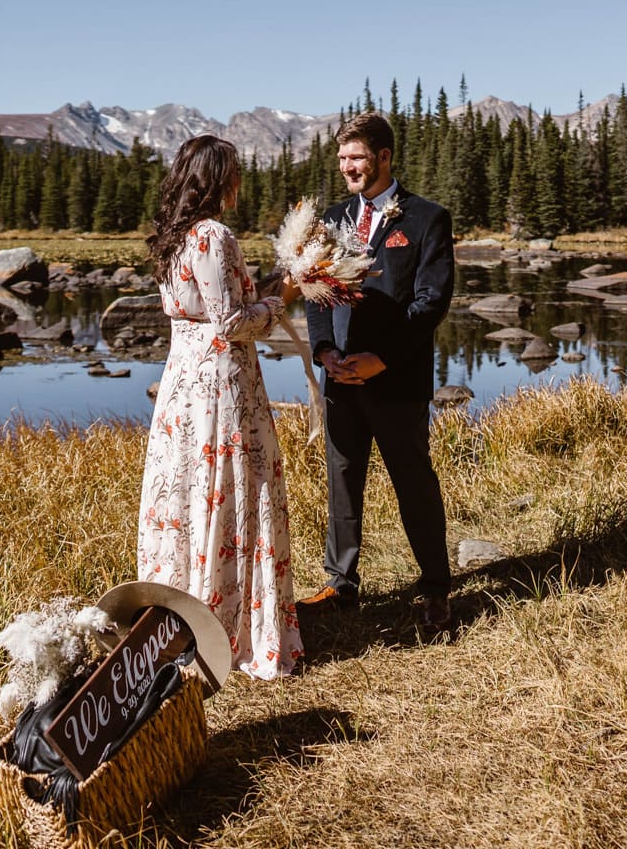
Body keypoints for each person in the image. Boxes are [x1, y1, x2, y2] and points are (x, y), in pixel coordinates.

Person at [137, 134, 304, 679]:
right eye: (233, 173)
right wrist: (282, 300)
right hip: (219, 384)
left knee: (188, 490)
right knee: (232, 486)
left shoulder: (174, 236)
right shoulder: (213, 235)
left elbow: (203, 310)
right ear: (217, 180)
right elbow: (232, 324)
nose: (238, 183)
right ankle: (232, 629)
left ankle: (184, 617)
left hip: (182, 379)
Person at [299, 111, 456, 631]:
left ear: (384, 157)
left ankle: (436, 588)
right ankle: (340, 585)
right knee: (343, 481)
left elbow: (432, 302)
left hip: (397, 377)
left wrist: (381, 358)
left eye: (357, 158)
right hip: (340, 377)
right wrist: (323, 350)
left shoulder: (426, 218)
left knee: (413, 482)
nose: (348, 168)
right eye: (342, 159)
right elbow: (316, 293)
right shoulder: (332, 218)